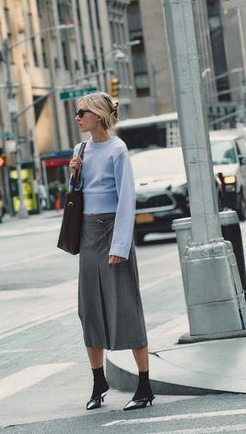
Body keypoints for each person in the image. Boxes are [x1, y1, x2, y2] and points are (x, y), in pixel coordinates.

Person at [69, 91, 154, 412]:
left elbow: (126, 199)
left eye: (82, 112)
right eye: (77, 113)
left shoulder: (118, 149)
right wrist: (74, 174)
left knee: (125, 306)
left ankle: (144, 386)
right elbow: (77, 197)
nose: (77, 117)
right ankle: (97, 381)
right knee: (89, 308)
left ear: (98, 115)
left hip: (112, 230)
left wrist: (120, 245)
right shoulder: (81, 149)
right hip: (89, 232)